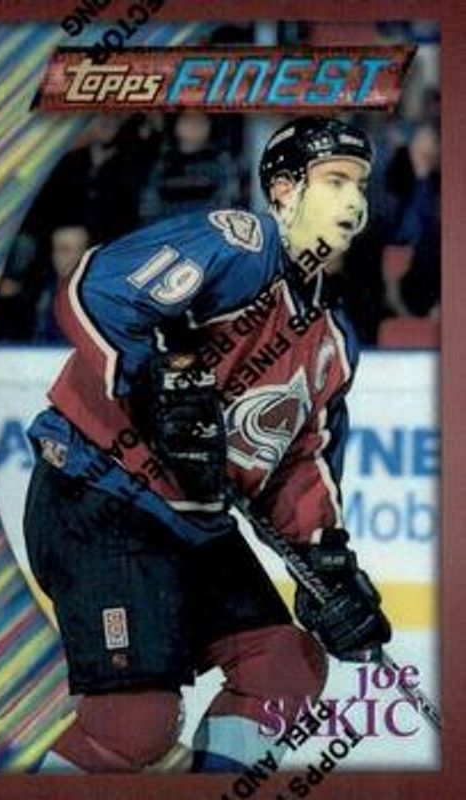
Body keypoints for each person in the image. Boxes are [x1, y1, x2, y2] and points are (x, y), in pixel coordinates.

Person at [23, 116, 391, 774]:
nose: (354, 200)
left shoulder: (333, 340)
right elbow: (96, 289)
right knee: (134, 725)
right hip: (102, 492)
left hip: (193, 521)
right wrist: (157, 388)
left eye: (360, 184)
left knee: (282, 669)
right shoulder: (237, 245)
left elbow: (298, 463)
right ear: (284, 190)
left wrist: (329, 567)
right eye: (335, 180)